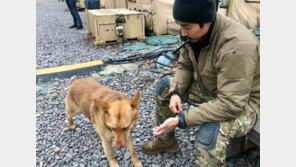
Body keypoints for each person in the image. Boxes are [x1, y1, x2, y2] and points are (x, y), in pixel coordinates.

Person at [141, 0, 260, 166]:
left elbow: (231, 104)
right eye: (180, 26)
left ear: (207, 22)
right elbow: (185, 65)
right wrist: (176, 92)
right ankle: (166, 142)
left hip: (245, 102)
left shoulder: (236, 45)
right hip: (213, 88)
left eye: (187, 27)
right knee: (165, 88)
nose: (182, 33)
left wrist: (182, 120)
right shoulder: (195, 33)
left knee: (208, 137)